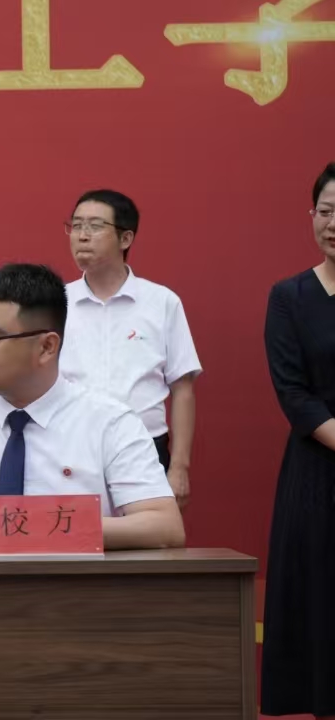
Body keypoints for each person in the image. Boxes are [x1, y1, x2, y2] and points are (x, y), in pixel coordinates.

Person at [0, 263, 184, 554]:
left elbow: (165, 526)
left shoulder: (111, 423)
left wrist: (50, 528)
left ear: (46, 347)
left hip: (73, 584)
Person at [59, 190, 201, 507]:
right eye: (76, 225)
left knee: (148, 534)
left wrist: (179, 466)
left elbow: (183, 389)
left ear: (125, 238)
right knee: (75, 532)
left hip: (145, 446)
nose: (82, 235)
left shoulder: (161, 302)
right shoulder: (58, 303)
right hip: (71, 447)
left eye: (95, 226)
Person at [260, 161, 335, 720]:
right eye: (326, 211)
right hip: (318, 469)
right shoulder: (289, 295)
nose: (333, 224)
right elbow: (293, 392)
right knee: (323, 595)